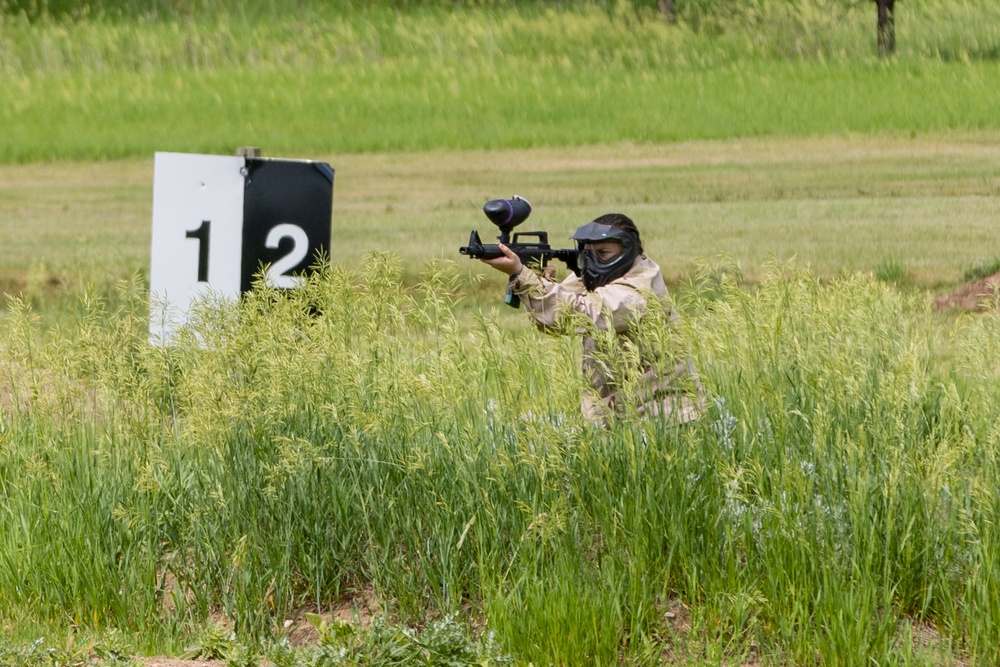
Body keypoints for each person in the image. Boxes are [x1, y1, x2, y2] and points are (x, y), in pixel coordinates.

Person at [481, 213, 705, 427]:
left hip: (667, 419)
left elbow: (585, 314)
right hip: (627, 419)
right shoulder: (599, 278)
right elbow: (555, 323)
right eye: (587, 253)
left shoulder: (638, 290)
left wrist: (523, 275)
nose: (592, 261)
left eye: (603, 252)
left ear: (627, 251)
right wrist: (538, 283)